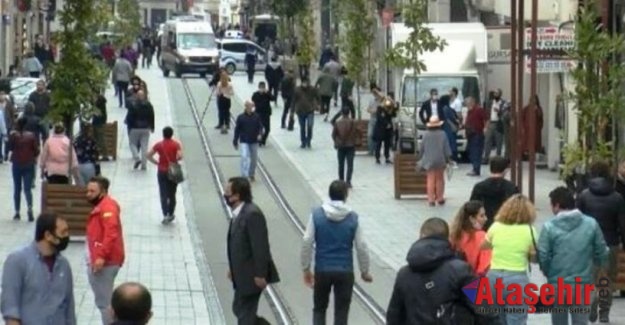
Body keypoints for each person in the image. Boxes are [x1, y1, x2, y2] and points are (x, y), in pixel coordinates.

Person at [301, 180, 372, 325]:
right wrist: (364, 271)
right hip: (345, 270)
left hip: (322, 269)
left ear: (329, 194)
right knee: (341, 311)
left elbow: (307, 241)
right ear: (345, 195)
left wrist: (306, 268)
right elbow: (362, 246)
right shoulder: (353, 218)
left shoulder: (317, 215)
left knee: (319, 308)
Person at [538, 187, 609, 325]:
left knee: (558, 321)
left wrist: (549, 273)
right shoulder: (591, 224)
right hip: (583, 283)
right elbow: (602, 251)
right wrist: (597, 269)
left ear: (557, 205)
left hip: (557, 284)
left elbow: (543, 255)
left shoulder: (549, 227)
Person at [386, 217, 476, 324]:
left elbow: (393, 315)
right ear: (448, 239)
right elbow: (486, 309)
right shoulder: (463, 270)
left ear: (421, 237)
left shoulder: (404, 274)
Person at [1, 213, 76, 325]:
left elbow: (69, 308)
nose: (67, 236)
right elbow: (11, 308)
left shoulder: (64, 266)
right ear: (48, 235)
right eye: (63, 232)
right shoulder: (17, 261)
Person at [225, 177, 280, 324]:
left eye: (228, 193)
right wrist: (233, 269)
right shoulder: (239, 213)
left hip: (252, 276)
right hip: (242, 274)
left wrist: (260, 274)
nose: (225, 195)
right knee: (238, 308)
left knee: (244, 314)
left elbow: (260, 246)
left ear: (237, 195)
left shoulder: (252, 214)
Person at [576, 160, 625, 323]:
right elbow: (622, 224)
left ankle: (591, 301)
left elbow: (577, 220)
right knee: (607, 279)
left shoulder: (584, 195)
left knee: (590, 278)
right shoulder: (617, 198)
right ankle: (604, 313)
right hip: (610, 243)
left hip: (588, 243)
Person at [482, 194, 537, 325]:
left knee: (496, 320)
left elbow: (485, 246)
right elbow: (534, 256)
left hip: (493, 279)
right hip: (517, 279)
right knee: (516, 320)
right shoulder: (530, 230)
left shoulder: (495, 227)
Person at [86, 176, 125, 325]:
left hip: (105, 262)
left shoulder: (107, 208)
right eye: (87, 190)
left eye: (92, 191)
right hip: (104, 260)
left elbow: (111, 233)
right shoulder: (104, 205)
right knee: (104, 301)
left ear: (103, 192)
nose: (88, 194)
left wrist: (101, 256)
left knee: (104, 303)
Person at [469, 156, 519, 230]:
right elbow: (517, 208)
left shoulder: (479, 186)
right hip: (505, 225)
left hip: (484, 225)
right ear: (505, 170)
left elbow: (471, 207)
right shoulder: (511, 187)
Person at [147, 126, 183, 225]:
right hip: (173, 172)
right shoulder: (176, 144)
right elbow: (180, 156)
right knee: (172, 194)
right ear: (172, 134)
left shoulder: (159, 145)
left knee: (163, 193)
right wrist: (174, 160)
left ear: (163, 134)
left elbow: (148, 155)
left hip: (162, 171)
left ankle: (165, 214)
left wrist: (156, 163)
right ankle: (171, 213)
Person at [7, 117, 39, 221]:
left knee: (17, 188)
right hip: (28, 163)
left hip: (16, 163)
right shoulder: (31, 136)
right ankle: (30, 208)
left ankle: (17, 212)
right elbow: (36, 150)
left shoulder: (14, 136)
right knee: (27, 188)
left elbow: (10, 148)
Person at [449, 200, 491, 276]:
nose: (486, 218)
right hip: (473, 281)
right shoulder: (482, 236)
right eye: (482, 216)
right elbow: (484, 267)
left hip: (454, 279)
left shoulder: (453, 234)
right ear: (472, 219)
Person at [417, 116, 451, 206]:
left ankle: (431, 200)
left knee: (430, 179)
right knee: (440, 179)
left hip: (429, 160)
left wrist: (420, 157)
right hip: (440, 160)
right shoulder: (443, 134)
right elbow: (446, 148)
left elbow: (422, 148)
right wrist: (448, 158)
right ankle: (440, 198)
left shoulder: (426, 134)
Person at [233, 101, 264, 182]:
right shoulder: (241, 117)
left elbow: (260, 127)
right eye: (249, 107)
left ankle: (251, 174)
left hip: (254, 140)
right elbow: (237, 130)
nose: (250, 108)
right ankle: (244, 175)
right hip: (244, 140)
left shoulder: (256, 116)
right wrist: (235, 141)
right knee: (244, 156)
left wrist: (260, 134)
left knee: (254, 158)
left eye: (251, 107)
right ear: (246, 107)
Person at [126, 89, 155, 170]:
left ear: (136, 96)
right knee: (144, 146)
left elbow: (129, 117)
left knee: (132, 144)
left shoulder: (133, 104)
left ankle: (137, 158)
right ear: (144, 96)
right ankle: (144, 165)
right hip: (145, 128)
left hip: (135, 128)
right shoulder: (148, 105)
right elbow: (152, 116)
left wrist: (130, 126)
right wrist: (152, 127)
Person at [332, 107, 359, 188]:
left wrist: (337, 141)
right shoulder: (353, 122)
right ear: (349, 113)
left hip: (341, 146)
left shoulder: (337, 122)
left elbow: (333, 135)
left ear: (342, 113)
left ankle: (341, 180)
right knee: (350, 164)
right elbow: (356, 132)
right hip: (350, 146)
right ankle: (348, 181)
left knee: (341, 164)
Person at [293, 78, 319, 149]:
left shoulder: (312, 89)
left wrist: (318, 105)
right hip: (300, 111)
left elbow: (318, 97)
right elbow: (293, 101)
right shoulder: (297, 90)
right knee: (302, 127)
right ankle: (303, 142)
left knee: (310, 126)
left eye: (306, 83)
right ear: (301, 83)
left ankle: (309, 140)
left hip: (310, 110)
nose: (305, 84)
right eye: (304, 83)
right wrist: (292, 111)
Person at [464, 97, 487, 176]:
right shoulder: (469, 111)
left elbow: (486, 119)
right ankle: (475, 168)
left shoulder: (479, 110)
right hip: (470, 134)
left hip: (477, 134)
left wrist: (485, 128)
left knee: (476, 152)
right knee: (471, 152)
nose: (467, 105)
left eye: (468, 103)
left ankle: (476, 169)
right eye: (466, 104)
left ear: (473, 102)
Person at [251, 81, 275, 146]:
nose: (261, 89)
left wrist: (268, 93)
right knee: (260, 128)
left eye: (263, 88)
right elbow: (253, 100)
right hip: (258, 113)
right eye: (260, 88)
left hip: (266, 113)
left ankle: (263, 140)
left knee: (267, 129)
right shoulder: (255, 94)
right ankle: (259, 140)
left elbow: (273, 99)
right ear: (258, 88)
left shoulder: (267, 94)